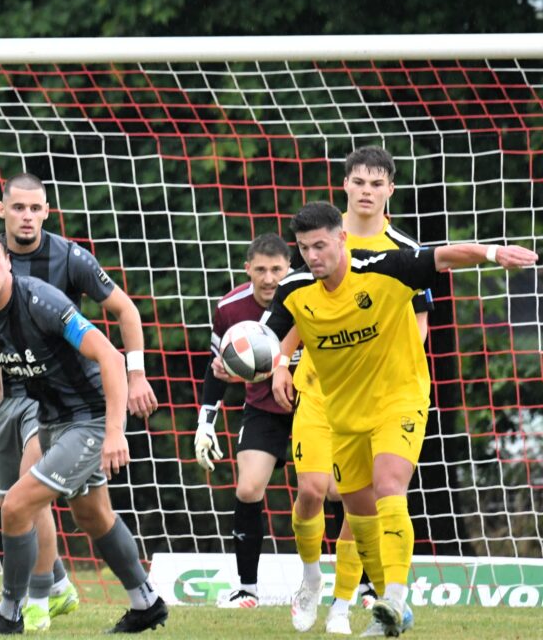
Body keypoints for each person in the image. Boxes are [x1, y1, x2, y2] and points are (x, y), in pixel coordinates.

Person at [265, 201, 536, 637]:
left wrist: (493, 254)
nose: (313, 256)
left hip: (399, 396)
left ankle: (393, 595)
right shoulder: (295, 290)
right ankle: (389, 612)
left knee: (390, 484)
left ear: (341, 240)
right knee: (361, 513)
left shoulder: (385, 267)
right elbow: (267, 339)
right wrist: (246, 361)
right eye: (304, 248)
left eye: (320, 246)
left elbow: (443, 256)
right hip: (343, 412)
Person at [0, 173, 156, 628]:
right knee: (92, 514)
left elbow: (108, 355)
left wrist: (114, 430)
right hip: (51, 416)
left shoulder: (42, 297)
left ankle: (11, 612)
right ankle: (147, 603)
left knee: (18, 503)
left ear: (7, 261)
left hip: (89, 416)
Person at [282, 147, 433, 635]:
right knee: (310, 489)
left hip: (378, 396)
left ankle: (352, 602)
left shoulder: (399, 249)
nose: (366, 191)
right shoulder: (316, 238)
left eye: (377, 183)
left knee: (361, 502)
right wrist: (281, 361)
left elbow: (419, 322)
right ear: (344, 185)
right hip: (320, 390)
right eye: (358, 182)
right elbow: (297, 309)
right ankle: (312, 580)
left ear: (390, 190)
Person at [193, 233, 294, 609]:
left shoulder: (306, 295)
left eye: (277, 270)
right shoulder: (229, 308)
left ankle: (360, 587)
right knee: (248, 489)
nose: (269, 279)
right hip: (264, 407)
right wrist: (206, 423)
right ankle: (247, 589)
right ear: (247, 269)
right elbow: (217, 369)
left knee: (330, 491)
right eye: (262, 270)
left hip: (312, 403)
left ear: (289, 269)